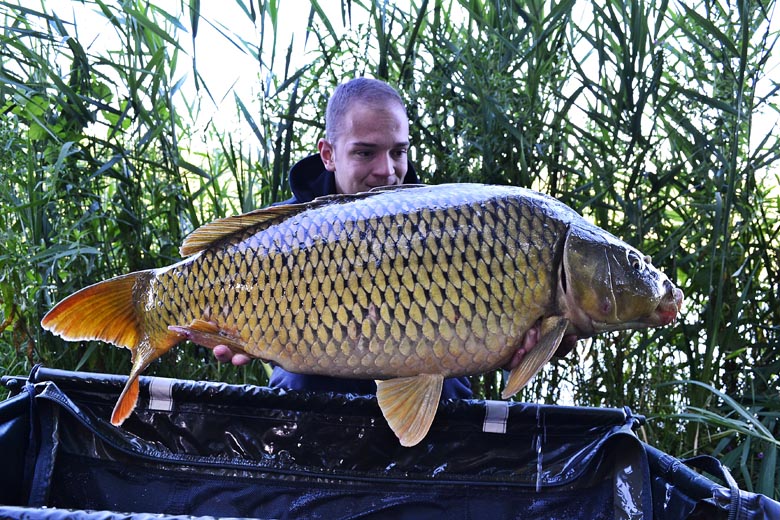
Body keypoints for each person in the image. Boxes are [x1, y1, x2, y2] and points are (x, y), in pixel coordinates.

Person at [212, 77, 473, 399]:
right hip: (317, 380)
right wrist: (233, 328)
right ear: (328, 154)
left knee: (451, 391)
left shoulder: (444, 225)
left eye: (398, 151)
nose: (387, 171)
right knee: (298, 387)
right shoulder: (281, 233)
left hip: (425, 377)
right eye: (365, 153)